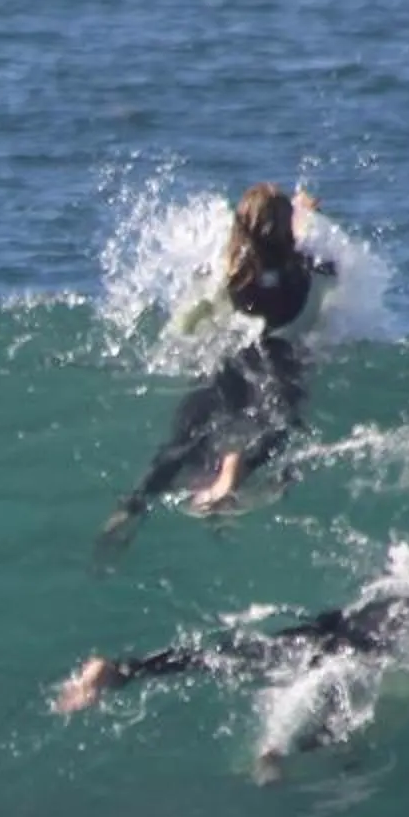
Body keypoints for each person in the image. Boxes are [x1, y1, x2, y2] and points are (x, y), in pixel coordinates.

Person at [54, 537, 409, 782]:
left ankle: (125, 670)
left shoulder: (396, 585)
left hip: (319, 632)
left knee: (225, 656)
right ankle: (279, 753)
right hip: (357, 652)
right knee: (339, 717)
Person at [96, 183, 338, 558]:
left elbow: (185, 325)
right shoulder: (312, 269)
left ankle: (131, 508)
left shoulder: (226, 275)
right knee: (277, 425)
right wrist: (304, 212)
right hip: (283, 361)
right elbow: (302, 247)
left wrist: (179, 348)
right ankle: (232, 473)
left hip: (230, 358)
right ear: (288, 228)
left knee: (180, 442)